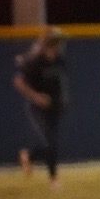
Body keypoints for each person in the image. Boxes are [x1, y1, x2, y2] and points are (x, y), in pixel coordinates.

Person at [13, 26, 69, 188]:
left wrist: (64, 98)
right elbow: (18, 82)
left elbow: (62, 81)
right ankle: (54, 179)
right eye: (58, 42)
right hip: (37, 107)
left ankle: (29, 157)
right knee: (50, 141)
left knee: (49, 142)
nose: (61, 45)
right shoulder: (36, 60)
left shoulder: (59, 59)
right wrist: (36, 97)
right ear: (51, 43)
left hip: (54, 105)